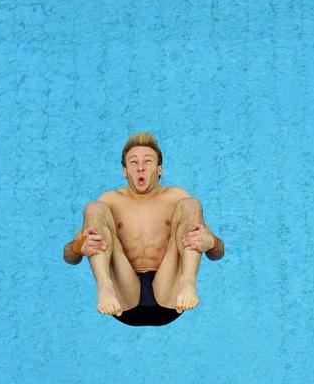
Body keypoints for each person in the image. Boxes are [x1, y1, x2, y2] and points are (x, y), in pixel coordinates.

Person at [63, 132, 224, 326]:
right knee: (93, 208)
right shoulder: (110, 200)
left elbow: (217, 253)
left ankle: (188, 282)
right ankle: (104, 287)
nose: (140, 168)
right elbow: (69, 256)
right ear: (124, 171)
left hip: (171, 293)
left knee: (190, 204)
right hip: (122, 296)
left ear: (159, 169)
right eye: (133, 162)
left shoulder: (175, 196)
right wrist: (78, 247)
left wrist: (211, 242)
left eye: (148, 162)